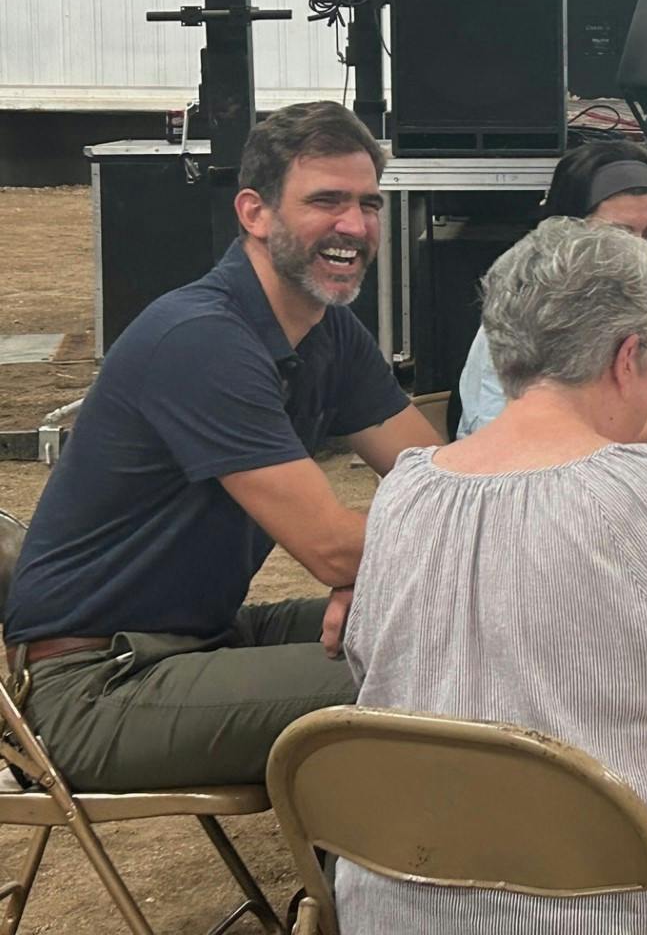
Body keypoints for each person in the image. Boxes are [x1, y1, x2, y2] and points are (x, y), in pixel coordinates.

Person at [342, 217, 647, 935]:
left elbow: (372, 680)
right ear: (628, 357)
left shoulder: (404, 489)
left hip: (403, 899)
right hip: (620, 906)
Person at [1, 102, 440, 791]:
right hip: (93, 684)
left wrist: (383, 581)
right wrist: (386, 570)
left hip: (198, 637)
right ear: (254, 213)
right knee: (436, 671)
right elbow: (330, 549)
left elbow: (437, 480)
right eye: (326, 201)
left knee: (455, 628)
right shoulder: (202, 339)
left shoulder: (327, 330)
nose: (354, 226)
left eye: (369, 204)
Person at [456, 140, 647, 446]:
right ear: (570, 234)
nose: (641, 252)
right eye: (619, 235)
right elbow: (498, 452)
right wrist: (640, 434)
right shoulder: (521, 321)